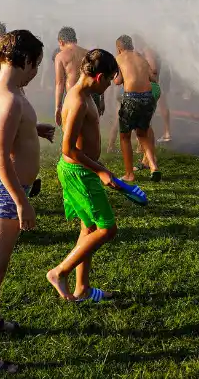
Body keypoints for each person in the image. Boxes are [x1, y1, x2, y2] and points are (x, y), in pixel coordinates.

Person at [0, 30, 55, 375]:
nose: (36, 74)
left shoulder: (6, 92)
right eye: (35, 66)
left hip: (6, 187)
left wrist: (34, 129)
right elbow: (0, 156)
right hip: (5, 190)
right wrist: (23, 202)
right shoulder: (10, 98)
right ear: (26, 60)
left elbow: (5, 133)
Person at [47, 49, 123, 303]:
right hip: (80, 172)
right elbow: (67, 148)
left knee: (89, 228)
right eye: (110, 80)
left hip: (81, 170)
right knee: (107, 229)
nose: (111, 85)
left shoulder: (86, 95)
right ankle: (60, 272)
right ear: (99, 76)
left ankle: (83, 289)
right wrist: (100, 170)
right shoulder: (79, 100)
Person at [114, 35, 161, 182]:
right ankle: (154, 167)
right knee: (143, 134)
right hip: (148, 98)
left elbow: (118, 81)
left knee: (125, 137)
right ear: (132, 46)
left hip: (131, 98)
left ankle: (129, 174)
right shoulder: (141, 57)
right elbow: (153, 78)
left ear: (119, 48)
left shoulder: (119, 58)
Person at [54, 26, 90, 127]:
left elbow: (59, 83)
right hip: (90, 97)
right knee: (90, 131)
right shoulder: (88, 54)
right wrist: (101, 100)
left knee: (72, 132)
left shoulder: (60, 56)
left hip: (73, 97)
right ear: (76, 40)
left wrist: (58, 107)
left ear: (61, 42)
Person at [143, 41, 172, 143]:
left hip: (158, 79)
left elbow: (154, 68)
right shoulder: (155, 46)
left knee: (155, 105)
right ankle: (167, 132)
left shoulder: (147, 48)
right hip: (164, 75)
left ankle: (166, 133)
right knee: (163, 103)